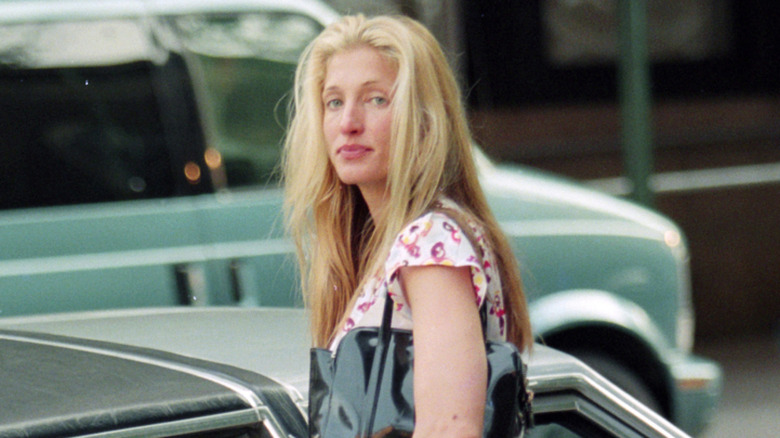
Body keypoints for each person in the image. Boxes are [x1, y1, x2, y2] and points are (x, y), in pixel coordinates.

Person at [282, 14, 532, 437]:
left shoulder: (430, 243)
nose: (348, 123)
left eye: (376, 99)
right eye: (334, 102)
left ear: (425, 119)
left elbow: (449, 431)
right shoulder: (391, 243)